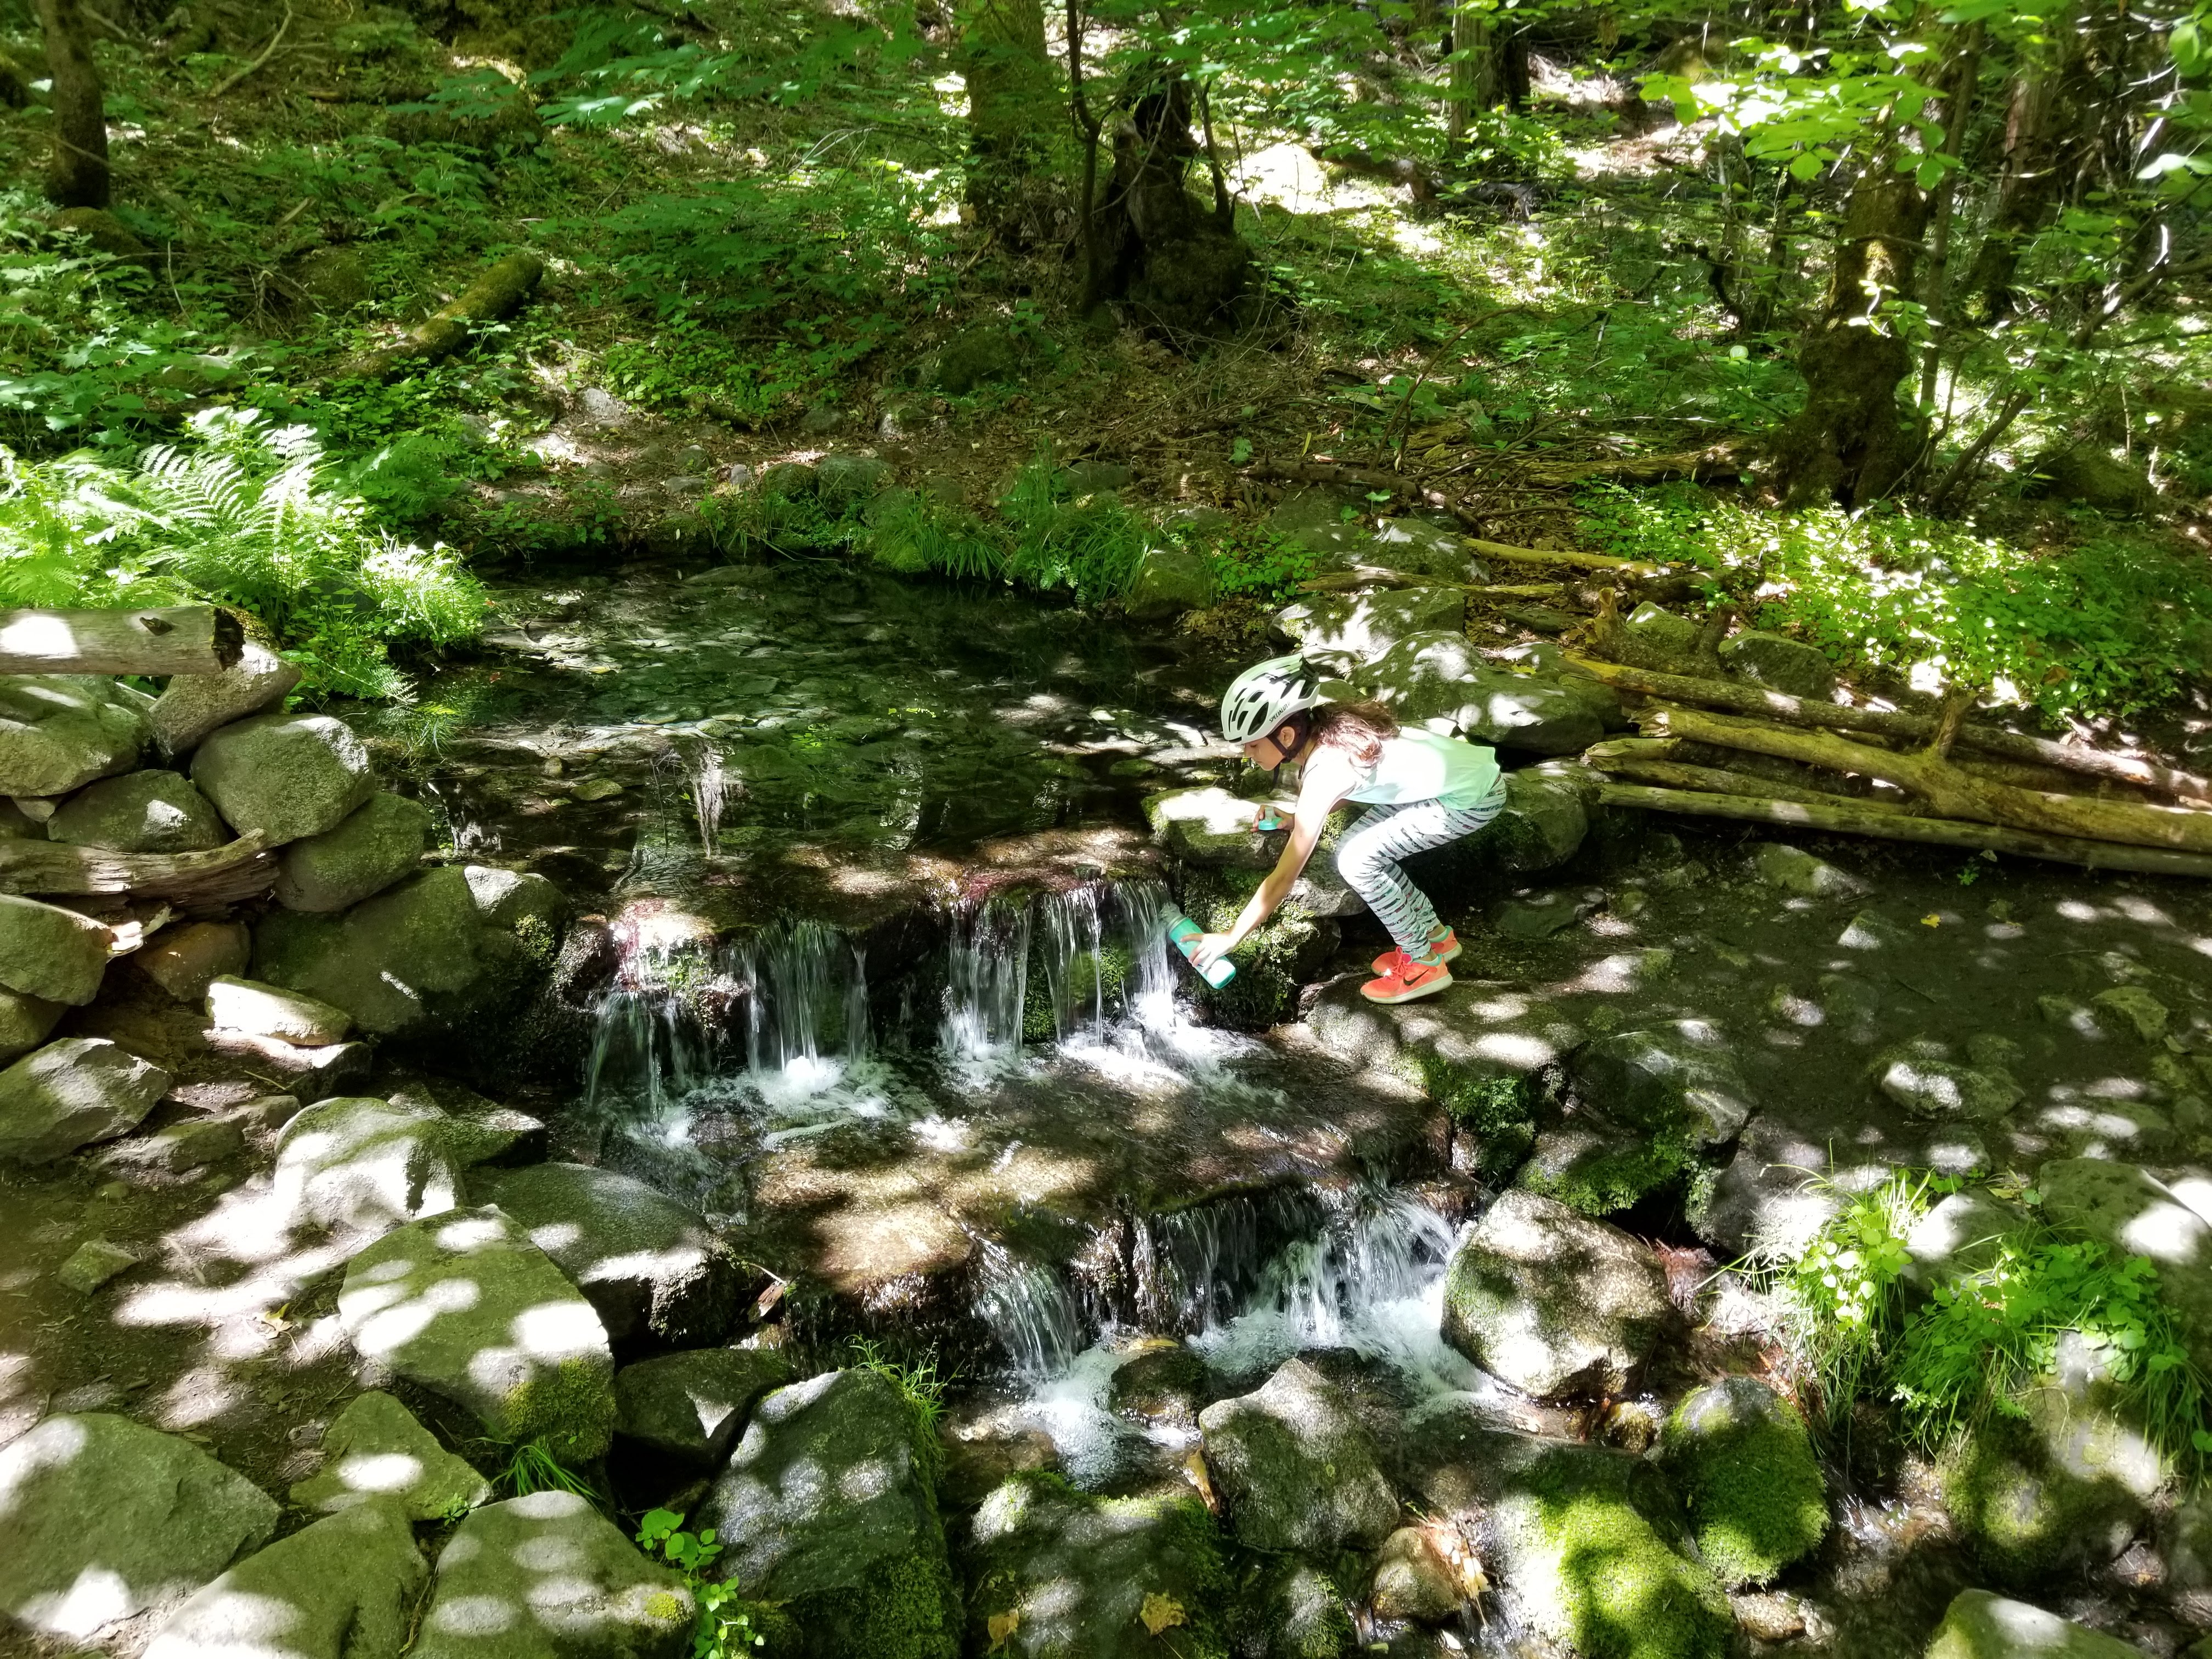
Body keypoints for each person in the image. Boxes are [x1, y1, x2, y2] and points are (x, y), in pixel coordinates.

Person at [1190, 653, 1505, 1005]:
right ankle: (1434, 938)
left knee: (1357, 861)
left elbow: (1283, 879)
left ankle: (1423, 964)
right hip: (1462, 784)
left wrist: (1231, 937)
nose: (1247, 754)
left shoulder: (1325, 770)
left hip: (1471, 799)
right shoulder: (1326, 731)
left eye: (1252, 744)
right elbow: (1348, 787)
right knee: (1354, 848)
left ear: (1287, 734)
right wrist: (1298, 817)